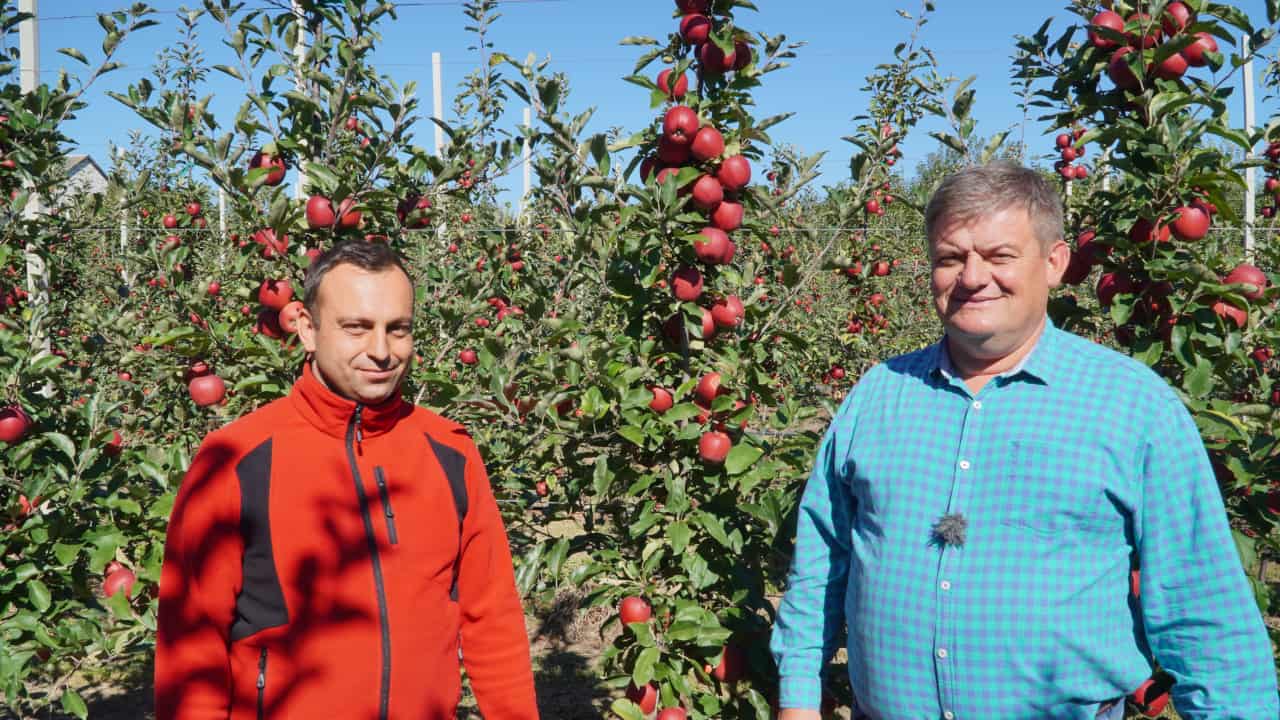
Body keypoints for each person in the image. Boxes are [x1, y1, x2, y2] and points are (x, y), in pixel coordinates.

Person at [770, 162, 1278, 720]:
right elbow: (822, 559)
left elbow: (1201, 607)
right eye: (950, 258)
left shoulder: (1133, 406)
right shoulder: (878, 394)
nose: (971, 277)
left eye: (999, 256)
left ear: (1055, 263)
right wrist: (798, 698)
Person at [155, 241, 539, 719]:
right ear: (309, 331)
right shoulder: (237, 460)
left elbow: (492, 619)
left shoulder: (450, 452)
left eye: (397, 329)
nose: (381, 351)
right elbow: (192, 648)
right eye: (356, 327)